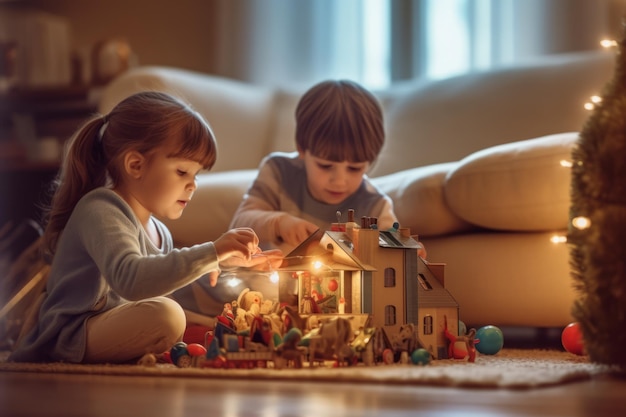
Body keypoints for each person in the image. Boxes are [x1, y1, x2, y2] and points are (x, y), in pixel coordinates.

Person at [8, 91, 281, 364]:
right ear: (135, 165)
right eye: (182, 172)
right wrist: (211, 252)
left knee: (212, 324)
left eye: (196, 175)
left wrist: (226, 262)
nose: (193, 185)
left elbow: (163, 282)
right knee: (168, 316)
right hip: (71, 335)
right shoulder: (100, 209)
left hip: (113, 326)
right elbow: (132, 280)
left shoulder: (160, 232)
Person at [229, 79, 427, 257]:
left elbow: (392, 247)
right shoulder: (278, 171)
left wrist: (406, 252)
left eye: (355, 168)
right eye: (325, 166)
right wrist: (279, 223)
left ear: (370, 160)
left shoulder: (375, 206)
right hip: (256, 290)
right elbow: (239, 223)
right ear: (302, 148)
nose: (339, 181)